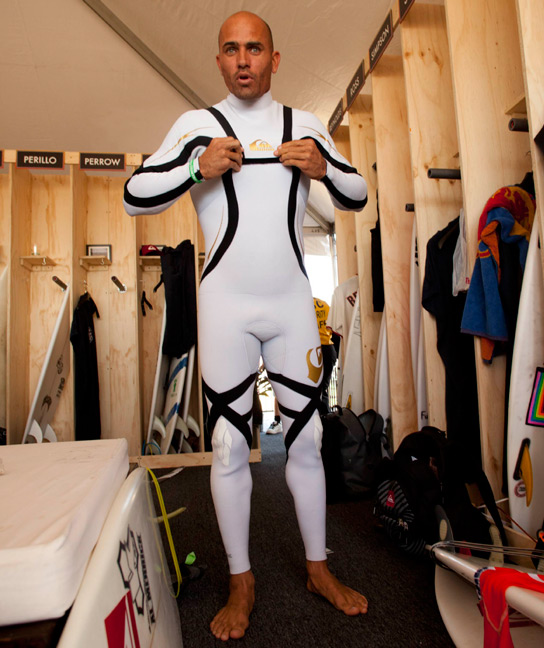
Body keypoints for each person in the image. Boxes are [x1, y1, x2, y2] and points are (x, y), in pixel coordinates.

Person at [123, 11, 369, 641]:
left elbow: (358, 191)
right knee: (231, 447)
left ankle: (319, 569)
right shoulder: (196, 127)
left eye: (254, 48)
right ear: (219, 61)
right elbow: (134, 191)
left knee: (308, 442)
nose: (243, 60)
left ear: (275, 58)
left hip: (290, 302)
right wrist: (193, 169)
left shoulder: (305, 126)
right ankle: (242, 580)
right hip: (227, 305)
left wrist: (321, 168)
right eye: (231, 49)